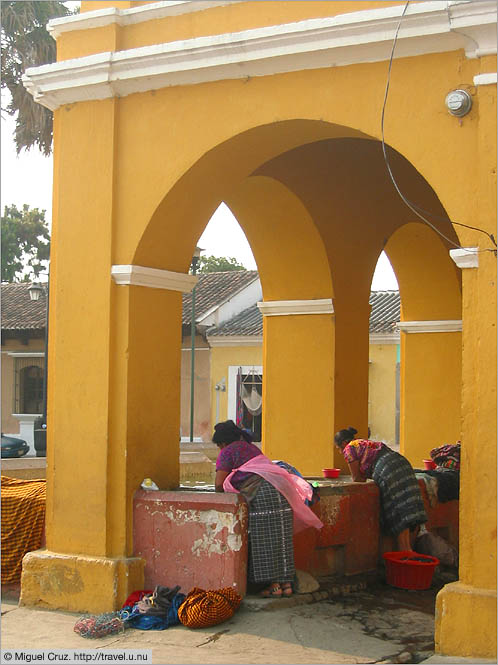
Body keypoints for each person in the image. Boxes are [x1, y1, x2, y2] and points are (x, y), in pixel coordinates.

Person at [212, 420, 322, 598]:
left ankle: (274, 587)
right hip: (281, 491)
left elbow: (218, 484)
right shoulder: (251, 447)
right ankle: (286, 585)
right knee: (281, 538)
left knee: (264, 540)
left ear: (222, 443)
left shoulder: (227, 452)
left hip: (262, 496)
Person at [334, 427, 427, 551]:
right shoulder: (365, 443)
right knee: (406, 504)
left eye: (338, 448)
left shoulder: (349, 448)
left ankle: (404, 552)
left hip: (387, 470)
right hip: (402, 464)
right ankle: (407, 549)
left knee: (395, 506)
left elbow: (356, 478)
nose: (340, 452)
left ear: (344, 443)